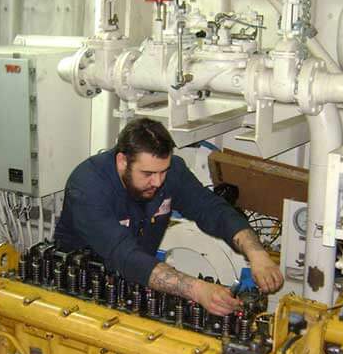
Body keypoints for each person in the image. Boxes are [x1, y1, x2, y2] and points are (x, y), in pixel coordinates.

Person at [54, 117, 283, 315]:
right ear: (122, 161)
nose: (158, 181)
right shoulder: (86, 186)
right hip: (75, 291)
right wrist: (197, 289)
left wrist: (256, 252)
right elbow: (123, 254)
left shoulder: (170, 171)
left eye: (163, 171)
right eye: (148, 173)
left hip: (134, 285)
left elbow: (212, 209)